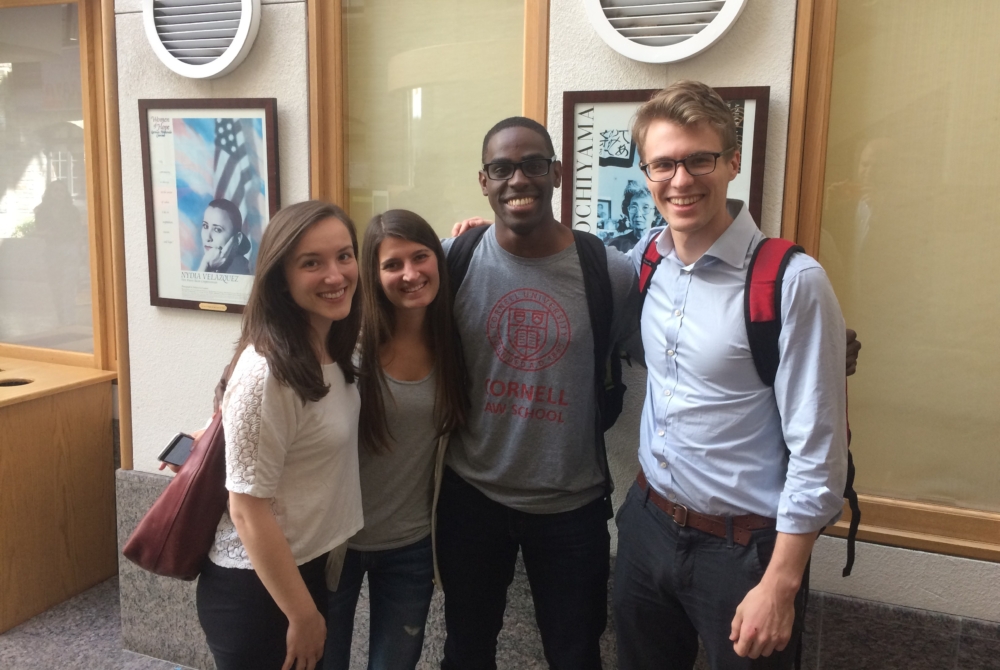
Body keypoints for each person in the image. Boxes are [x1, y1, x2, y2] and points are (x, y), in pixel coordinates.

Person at [612, 80, 848, 670]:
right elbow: (563, 256)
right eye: (664, 163)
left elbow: (819, 453)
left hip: (742, 550)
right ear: (646, 173)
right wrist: (477, 234)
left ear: (733, 162)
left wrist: (780, 585)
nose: (681, 180)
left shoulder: (792, 283)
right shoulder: (648, 258)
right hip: (647, 523)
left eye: (700, 159)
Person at [435, 116, 640, 670]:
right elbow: (380, 326)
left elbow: (673, 349)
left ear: (556, 172)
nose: (516, 179)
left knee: (575, 655)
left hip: (571, 505)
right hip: (471, 496)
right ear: (484, 181)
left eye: (531, 165)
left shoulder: (608, 272)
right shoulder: (454, 260)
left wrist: (797, 343)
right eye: (501, 168)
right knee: (466, 649)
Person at [196, 200, 364, 670]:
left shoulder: (330, 345)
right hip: (258, 590)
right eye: (312, 263)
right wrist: (302, 614)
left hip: (306, 568)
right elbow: (246, 510)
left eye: (344, 256)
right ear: (280, 277)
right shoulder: (268, 370)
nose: (335, 275)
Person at [325, 210, 468, 670]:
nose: (410, 274)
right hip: (335, 543)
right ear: (372, 273)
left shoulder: (453, 341)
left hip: (410, 547)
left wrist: (478, 229)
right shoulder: (347, 347)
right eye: (392, 265)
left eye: (421, 257)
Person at [199, 198, 252, 274]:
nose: (207, 238)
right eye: (205, 226)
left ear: (238, 238)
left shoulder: (242, 271)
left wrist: (206, 265)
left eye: (217, 230)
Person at [607, 180, 654, 252]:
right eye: (633, 207)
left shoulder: (664, 244)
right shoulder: (615, 245)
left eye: (645, 207)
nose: (638, 214)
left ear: (655, 214)